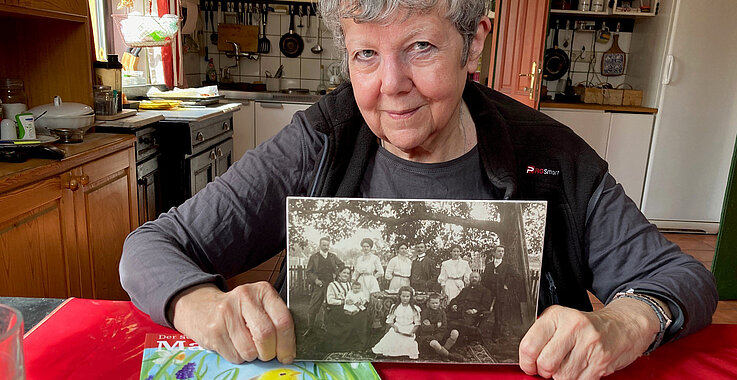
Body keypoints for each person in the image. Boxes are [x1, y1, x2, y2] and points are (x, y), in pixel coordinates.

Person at [119, 0, 717, 378]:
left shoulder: (550, 156)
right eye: (365, 56)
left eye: (421, 48)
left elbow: (680, 278)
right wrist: (206, 306)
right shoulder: (319, 141)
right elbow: (149, 247)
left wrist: (626, 321)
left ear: (474, 42)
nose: (390, 85)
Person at [304, 237, 344, 337]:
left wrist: (337, 274)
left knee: (329, 305)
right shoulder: (314, 257)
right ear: (320, 245)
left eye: (327, 245)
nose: (326, 247)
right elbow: (308, 272)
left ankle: (326, 325)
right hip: (319, 284)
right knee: (313, 306)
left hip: (331, 284)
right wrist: (316, 280)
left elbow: (342, 265)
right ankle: (310, 328)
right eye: (324, 245)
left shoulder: (333, 256)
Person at [371, 286, 421, 359]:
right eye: (403, 296)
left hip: (409, 328)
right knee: (391, 339)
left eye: (407, 296)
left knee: (408, 343)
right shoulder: (395, 307)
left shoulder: (415, 309)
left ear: (410, 297)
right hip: (397, 327)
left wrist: (412, 332)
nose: (405, 298)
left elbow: (417, 323)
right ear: (399, 296)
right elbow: (389, 321)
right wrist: (394, 327)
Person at [325, 267, 368, 351]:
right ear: (339, 273)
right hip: (337, 308)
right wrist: (343, 302)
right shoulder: (332, 285)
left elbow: (356, 296)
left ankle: (359, 342)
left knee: (362, 315)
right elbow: (329, 300)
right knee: (351, 317)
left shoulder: (350, 285)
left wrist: (359, 302)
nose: (346, 275)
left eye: (348, 273)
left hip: (352, 306)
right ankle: (347, 342)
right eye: (344, 272)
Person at [481, 245, 517, 342]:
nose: (501, 253)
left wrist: (506, 284)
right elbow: (484, 279)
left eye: (502, 251)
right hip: (489, 293)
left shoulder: (507, 266)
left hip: (501, 293)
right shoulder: (489, 266)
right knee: (484, 311)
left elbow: (515, 276)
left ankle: (496, 335)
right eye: (499, 251)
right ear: (494, 253)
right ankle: (480, 333)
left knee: (499, 314)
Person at [447, 271, 492, 343]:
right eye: (472, 277)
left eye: (476, 277)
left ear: (480, 279)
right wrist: (454, 305)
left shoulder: (485, 291)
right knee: (445, 319)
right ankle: (449, 339)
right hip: (458, 311)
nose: (474, 279)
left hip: (472, 315)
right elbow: (455, 299)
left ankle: (458, 341)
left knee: (458, 323)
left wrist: (475, 310)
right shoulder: (465, 290)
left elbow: (485, 305)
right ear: (469, 279)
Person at [417, 292, 462, 362]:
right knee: (434, 343)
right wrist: (436, 326)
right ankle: (448, 355)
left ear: (439, 303)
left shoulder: (442, 312)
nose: (435, 305)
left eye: (436, 303)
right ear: (428, 303)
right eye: (432, 303)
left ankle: (443, 352)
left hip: (440, 334)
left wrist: (431, 326)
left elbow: (444, 326)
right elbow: (424, 328)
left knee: (455, 333)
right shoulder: (425, 312)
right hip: (428, 335)